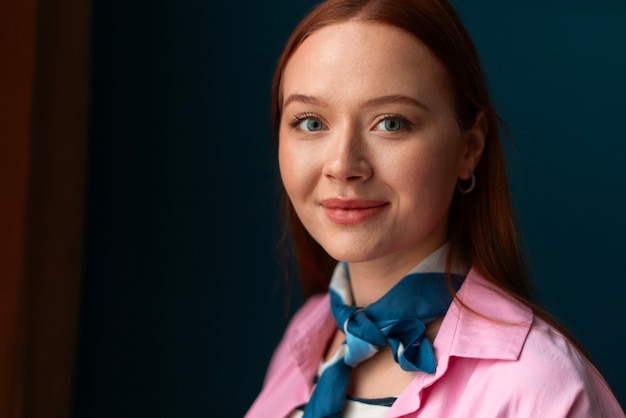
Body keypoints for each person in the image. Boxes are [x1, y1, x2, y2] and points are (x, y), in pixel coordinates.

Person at [246, 0, 625, 416]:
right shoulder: (305, 336)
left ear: (470, 148)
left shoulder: (536, 390)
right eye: (311, 122)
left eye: (391, 122)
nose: (342, 166)